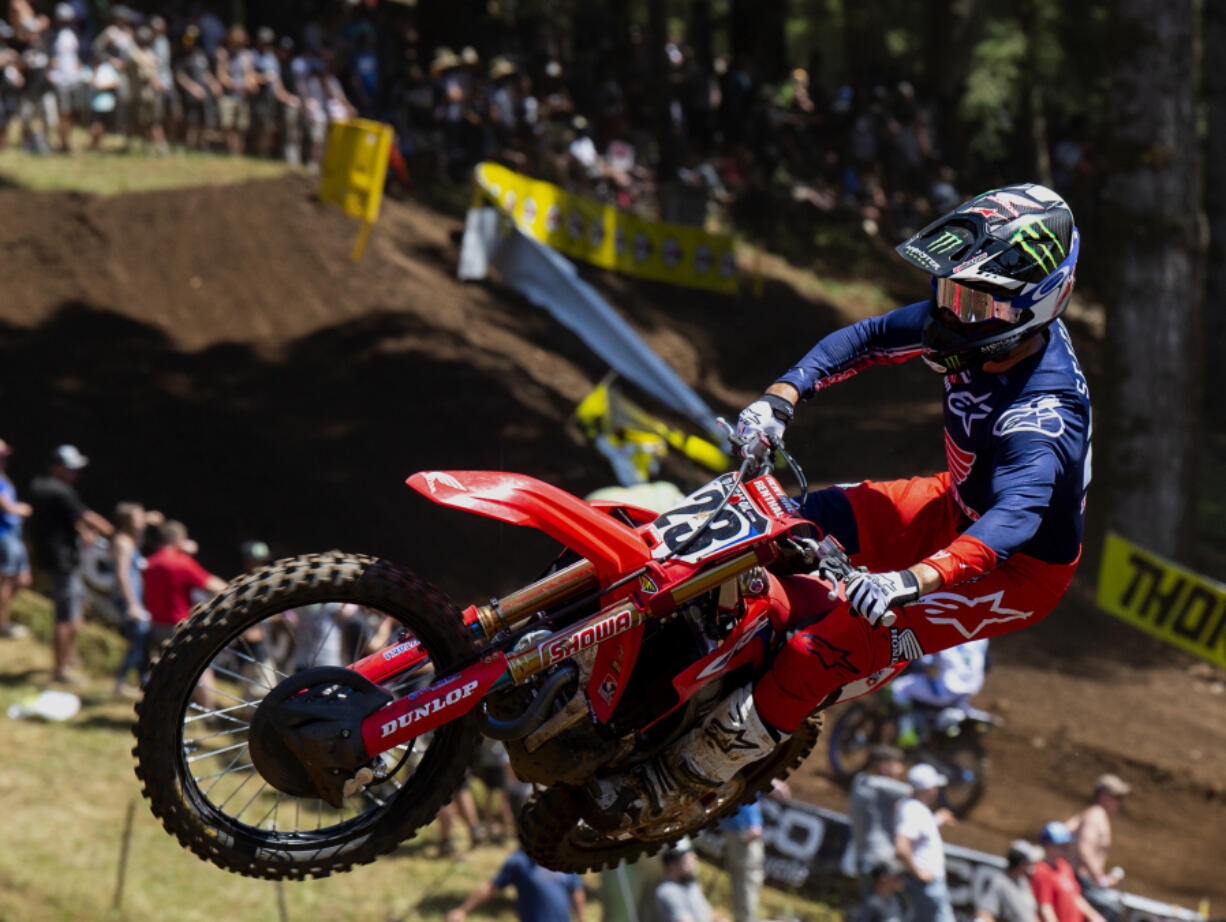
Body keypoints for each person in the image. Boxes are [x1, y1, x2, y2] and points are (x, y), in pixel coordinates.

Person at [592, 184, 1090, 827]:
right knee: (783, 516)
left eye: (967, 297)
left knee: (825, 646)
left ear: (1030, 307)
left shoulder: (1044, 414)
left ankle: (680, 778)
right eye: (946, 289)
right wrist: (779, 400)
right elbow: (869, 336)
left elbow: (1013, 520)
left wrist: (908, 582)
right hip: (953, 502)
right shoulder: (980, 323)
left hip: (1011, 571)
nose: (946, 310)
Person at [27, 444, 113, 683]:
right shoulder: (60, 491)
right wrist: (116, 536)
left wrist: (82, 532)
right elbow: (87, 517)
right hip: (63, 561)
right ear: (58, 468)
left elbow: (60, 518)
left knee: (76, 607)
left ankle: (69, 657)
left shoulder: (39, 486)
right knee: (65, 616)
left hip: (53, 558)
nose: (76, 475)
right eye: (72, 470)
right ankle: (61, 670)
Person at [890, 638, 989, 747]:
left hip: (943, 692)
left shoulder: (946, 629)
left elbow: (927, 664)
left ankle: (906, 731)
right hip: (968, 691)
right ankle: (960, 710)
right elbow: (988, 664)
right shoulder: (982, 638)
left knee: (898, 687)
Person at [447, 847, 585, 922]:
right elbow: (491, 886)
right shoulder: (520, 860)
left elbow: (576, 890)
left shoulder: (564, 858)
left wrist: (581, 919)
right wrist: (462, 910)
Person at [894, 763, 955, 922]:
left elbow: (920, 830)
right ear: (929, 789)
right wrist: (918, 872)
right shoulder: (913, 810)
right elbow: (901, 847)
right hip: (926, 885)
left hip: (928, 885)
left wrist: (939, 819)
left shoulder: (913, 807)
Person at [1064, 775, 1129, 922]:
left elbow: (1066, 831)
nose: (1120, 803)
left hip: (1080, 879)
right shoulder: (1096, 816)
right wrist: (1100, 879)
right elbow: (1084, 850)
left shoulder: (1089, 814)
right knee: (1112, 911)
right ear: (1104, 796)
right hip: (1082, 881)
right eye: (1117, 797)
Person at [111, 501, 160, 697]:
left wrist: (148, 517)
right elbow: (122, 574)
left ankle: (144, 683)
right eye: (139, 518)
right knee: (138, 640)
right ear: (128, 521)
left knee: (142, 640)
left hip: (135, 599)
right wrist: (132, 604)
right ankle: (121, 684)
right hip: (128, 599)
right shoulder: (123, 542)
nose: (142, 521)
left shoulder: (130, 539)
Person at [849, 744, 911, 894]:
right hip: (881, 860)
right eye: (897, 764)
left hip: (865, 857)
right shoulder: (878, 786)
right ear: (884, 766)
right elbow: (917, 793)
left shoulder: (860, 780)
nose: (902, 769)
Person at [1031, 822, 1106, 922]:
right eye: (1061, 845)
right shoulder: (1041, 871)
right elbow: (1045, 907)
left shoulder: (1064, 866)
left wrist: (1093, 916)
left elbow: (1075, 896)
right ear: (1049, 846)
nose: (1065, 848)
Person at [0, 439, 33, 638]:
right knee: (9, 581)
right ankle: (2, 625)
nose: (5, 459)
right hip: (4, 535)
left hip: (14, 535)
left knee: (22, 580)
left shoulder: (3, 476)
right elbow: (7, 507)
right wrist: (24, 509)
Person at [655, 840, 728, 922]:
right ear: (672, 865)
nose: (693, 858)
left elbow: (709, 915)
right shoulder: (667, 891)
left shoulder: (690, 885)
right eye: (685, 856)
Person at [718, 797, 765, 922]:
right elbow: (744, 785)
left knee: (743, 877)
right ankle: (744, 918)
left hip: (737, 827)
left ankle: (743, 917)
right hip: (744, 829)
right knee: (748, 877)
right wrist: (753, 821)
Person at [977, 840, 1043, 922]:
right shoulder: (999, 883)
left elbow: (1031, 914)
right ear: (1021, 864)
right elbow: (984, 915)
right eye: (1029, 863)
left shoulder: (1024, 882)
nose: (1032, 865)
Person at [858, 858, 907, 922]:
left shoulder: (897, 899)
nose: (901, 880)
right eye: (898, 877)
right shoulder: (870, 904)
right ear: (883, 877)